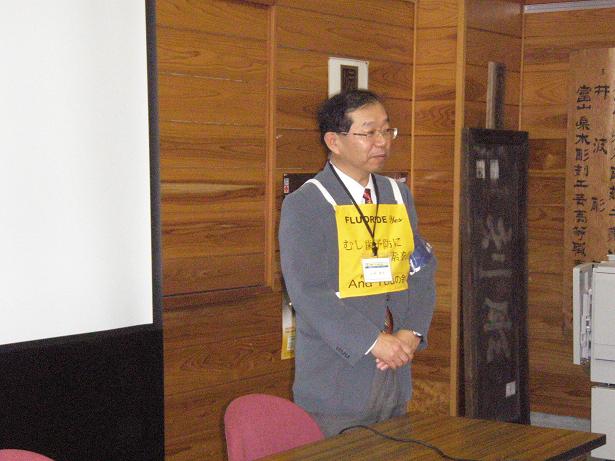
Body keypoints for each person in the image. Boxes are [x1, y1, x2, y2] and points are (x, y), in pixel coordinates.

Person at [278, 89, 436, 437]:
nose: (382, 142)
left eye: (387, 130)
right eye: (368, 133)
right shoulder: (307, 203)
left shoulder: (397, 195)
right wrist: (372, 341)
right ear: (334, 141)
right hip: (337, 382)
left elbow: (421, 269)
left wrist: (412, 331)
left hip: (395, 370)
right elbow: (308, 293)